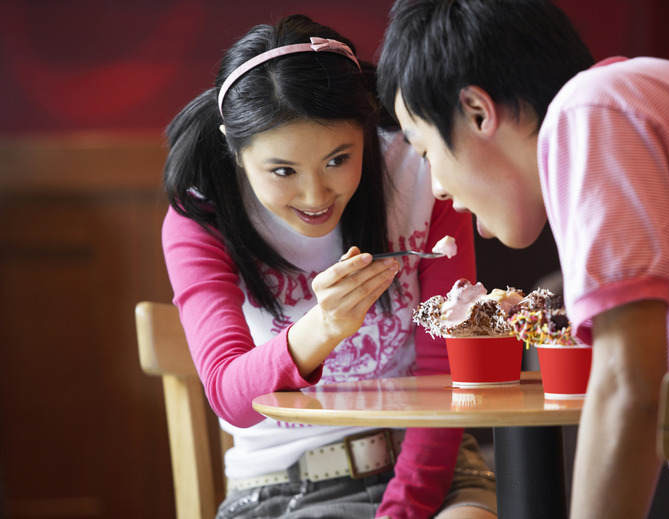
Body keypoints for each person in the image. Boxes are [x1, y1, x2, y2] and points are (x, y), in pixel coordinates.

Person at [376, 0, 669, 517]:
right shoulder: (643, 98)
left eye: (426, 150)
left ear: (478, 112)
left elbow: (628, 389)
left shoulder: (591, 110)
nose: (437, 187)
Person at [162, 14, 498, 519]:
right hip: (281, 487)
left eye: (339, 160)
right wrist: (324, 326)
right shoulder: (202, 214)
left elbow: (443, 374)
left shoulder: (423, 171)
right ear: (234, 146)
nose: (316, 195)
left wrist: (402, 510)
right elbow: (229, 395)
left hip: (430, 470)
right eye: (282, 171)